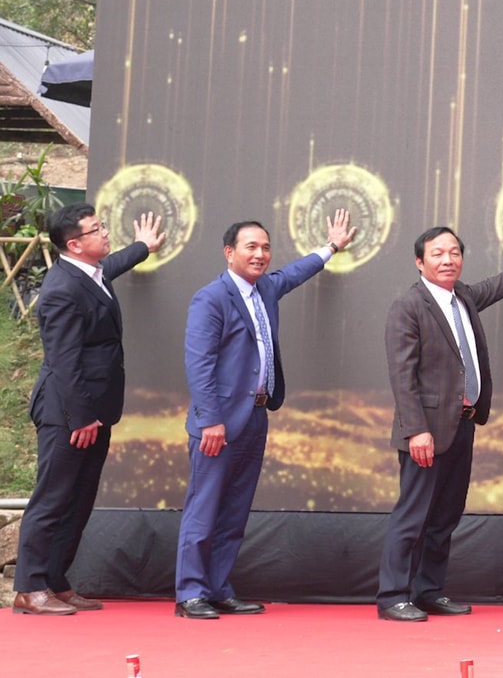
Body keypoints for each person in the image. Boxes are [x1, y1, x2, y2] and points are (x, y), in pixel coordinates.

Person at [173, 210, 357, 619]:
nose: (260, 254)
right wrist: (210, 420)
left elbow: (295, 272)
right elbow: (199, 364)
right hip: (218, 425)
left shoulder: (266, 289)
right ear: (229, 252)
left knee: (235, 512)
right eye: (251, 247)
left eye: (265, 247)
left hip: (256, 418)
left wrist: (330, 247)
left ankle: (219, 588)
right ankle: (190, 594)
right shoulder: (211, 298)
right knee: (204, 510)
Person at [376, 223, 503, 622]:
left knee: (445, 516)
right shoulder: (409, 306)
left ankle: (428, 591)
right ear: (419, 262)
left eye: (454, 252)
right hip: (425, 431)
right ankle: (392, 597)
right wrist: (415, 429)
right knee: (414, 515)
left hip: (464, 423)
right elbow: (402, 376)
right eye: (438, 253)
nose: (448, 259)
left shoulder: (465, 297)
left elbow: (497, 285)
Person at [14, 204, 164, 616]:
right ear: (75, 244)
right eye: (96, 230)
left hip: (96, 410)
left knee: (79, 501)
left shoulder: (90, 272)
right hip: (68, 413)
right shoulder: (61, 289)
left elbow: (110, 265)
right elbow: (64, 361)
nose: (104, 234)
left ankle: (55, 581)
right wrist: (80, 417)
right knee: (53, 498)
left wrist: (142, 247)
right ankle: (29, 588)